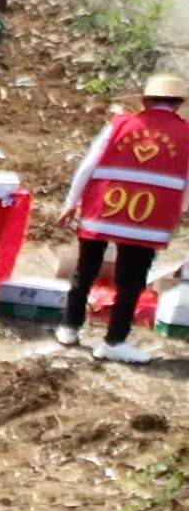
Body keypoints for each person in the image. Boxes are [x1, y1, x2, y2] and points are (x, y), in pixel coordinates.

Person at [60, 67, 189, 347]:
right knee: (131, 281)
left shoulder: (119, 125)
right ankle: (114, 342)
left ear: (145, 101)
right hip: (149, 219)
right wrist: (177, 213)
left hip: (103, 210)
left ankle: (69, 328)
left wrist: (71, 203)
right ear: (179, 104)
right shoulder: (186, 134)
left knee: (86, 271)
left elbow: (88, 165)